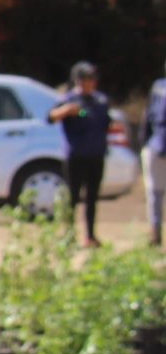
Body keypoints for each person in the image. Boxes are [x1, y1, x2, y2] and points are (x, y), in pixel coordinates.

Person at [47, 62, 113, 247]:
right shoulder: (68, 99)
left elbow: (104, 121)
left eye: (91, 79)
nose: (89, 82)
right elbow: (49, 117)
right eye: (85, 79)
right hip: (75, 156)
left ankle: (90, 236)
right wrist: (67, 111)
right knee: (72, 197)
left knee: (92, 198)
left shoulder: (100, 100)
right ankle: (68, 235)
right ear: (77, 80)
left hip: (96, 154)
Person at [144, 77, 166, 246]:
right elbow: (149, 115)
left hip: (156, 144)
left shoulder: (159, 86)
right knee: (155, 192)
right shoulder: (159, 86)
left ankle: (155, 231)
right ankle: (155, 232)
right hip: (158, 145)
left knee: (155, 192)